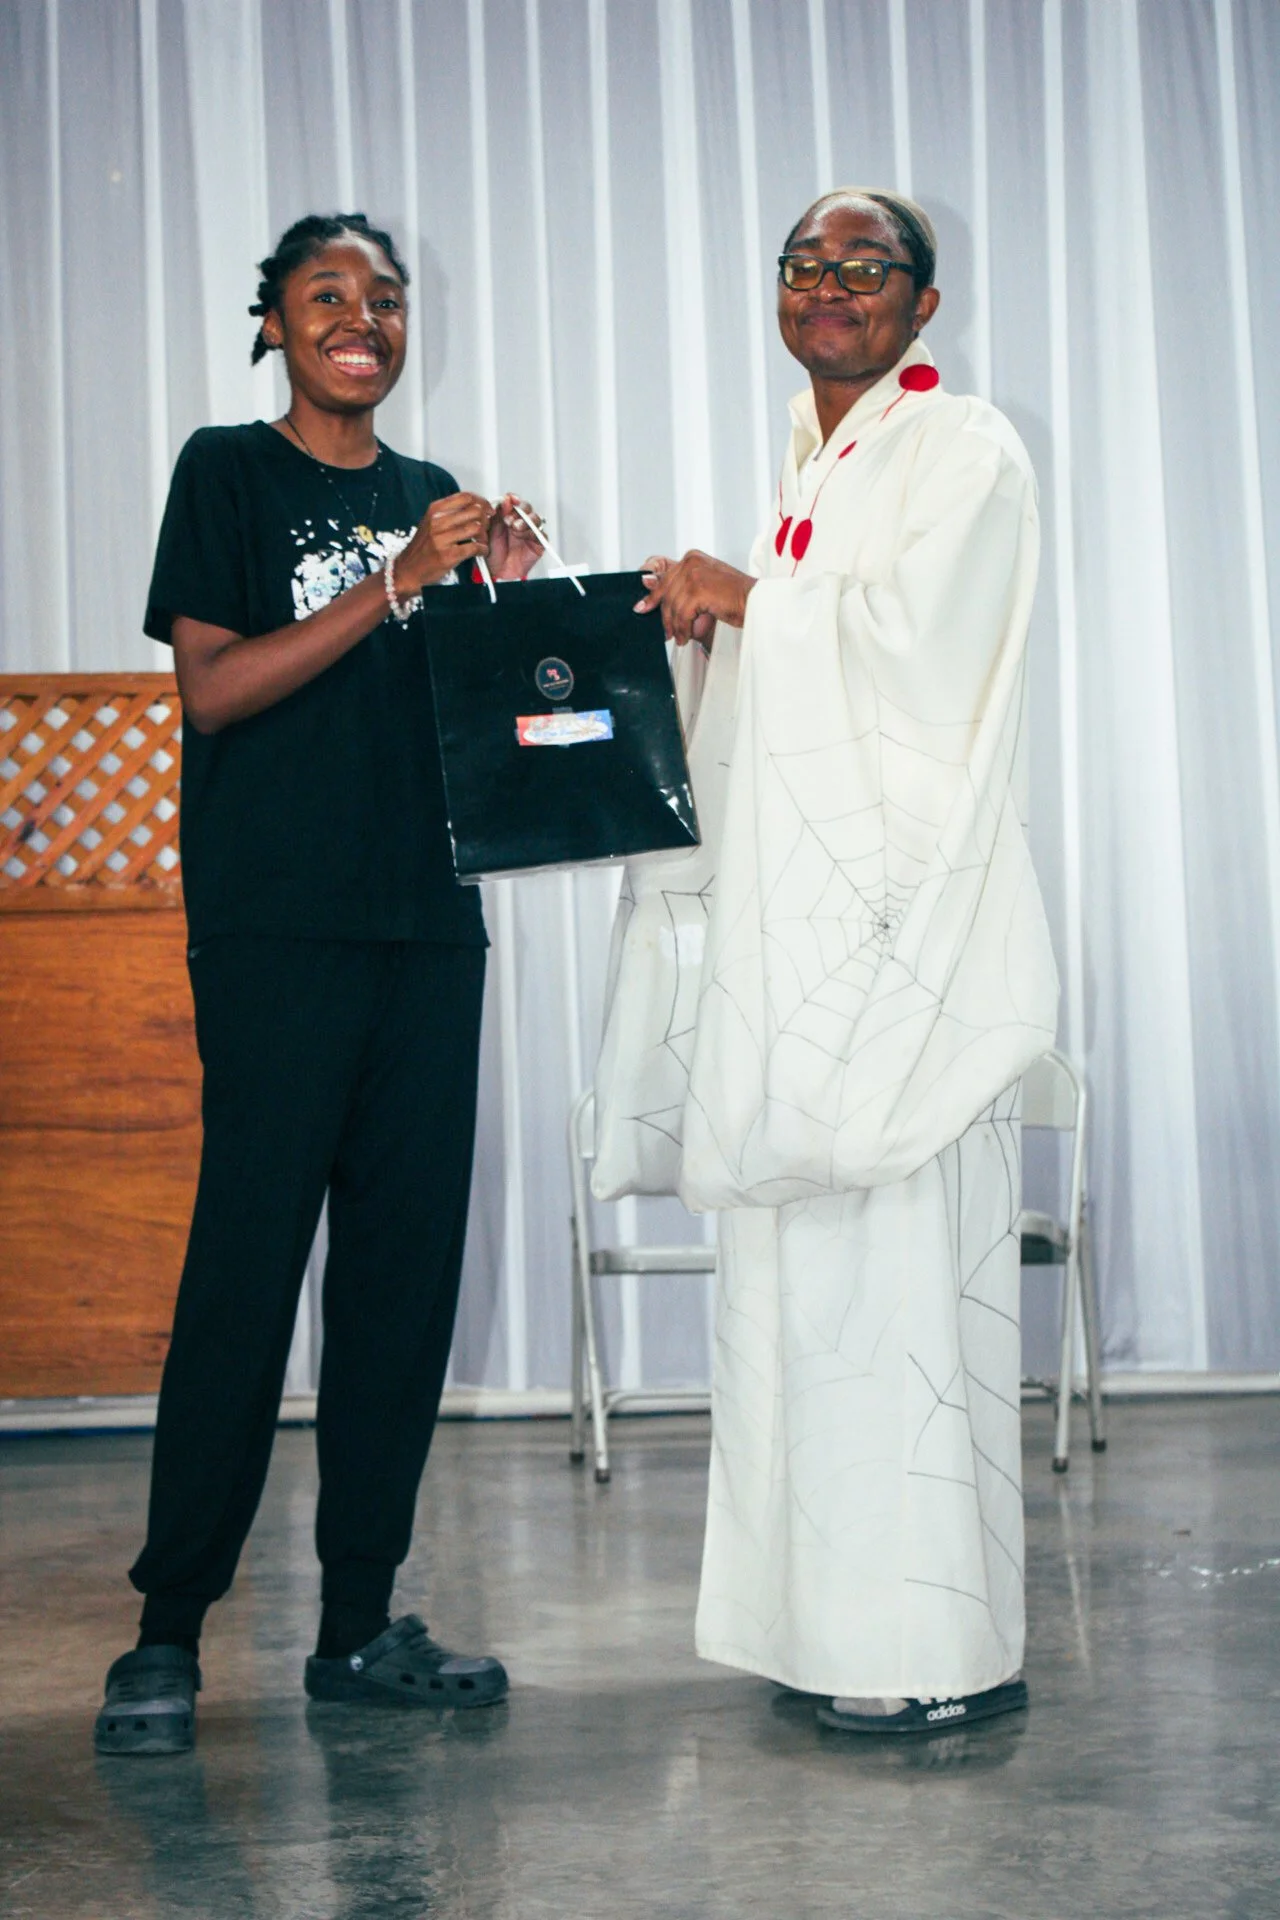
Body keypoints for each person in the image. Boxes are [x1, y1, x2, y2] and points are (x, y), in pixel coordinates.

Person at [593, 189, 1059, 1735]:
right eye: (808, 265)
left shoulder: (965, 447)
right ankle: (822, 1638)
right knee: (805, 1309)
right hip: (811, 945)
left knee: (905, 1306)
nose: (834, 286)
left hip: (905, 944)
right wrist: (719, 629)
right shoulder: (818, 467)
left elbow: (930, 654)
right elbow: (808, 669)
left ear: (925, 304)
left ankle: (927, 1654)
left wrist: (759, 604)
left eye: (869, 266)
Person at [95, 212, 545, 1756]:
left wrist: (514, 600)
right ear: (273, 325)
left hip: (430, 930)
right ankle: (165, 1633)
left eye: (388, 298)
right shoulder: (228, 471)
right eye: (328, 295)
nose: (363, 317)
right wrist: (401, 586)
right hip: (279, 930)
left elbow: (482, 724)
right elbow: (216, 691)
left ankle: (359, 1625)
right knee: (246, 1270)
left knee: (400, 1286)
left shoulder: (434, 498)